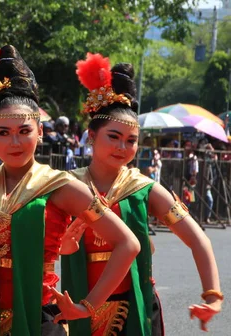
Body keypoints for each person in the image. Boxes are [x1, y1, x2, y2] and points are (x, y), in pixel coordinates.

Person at [0, 45, 141, 336]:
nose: (15, 143)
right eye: (3, 133)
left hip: (38, 319)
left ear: (41, 131)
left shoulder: (60, 187)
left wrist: (87, 306)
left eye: (24, 131)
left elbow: (128, 244)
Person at [60, 53, 222, 335]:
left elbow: (198, 240)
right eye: (113, 136)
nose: (122, 147)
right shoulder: (66, 186)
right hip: (74, 309)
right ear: (91, 136)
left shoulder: (143, 189)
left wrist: (212, 296)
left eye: (131, 140)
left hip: (134, 309)